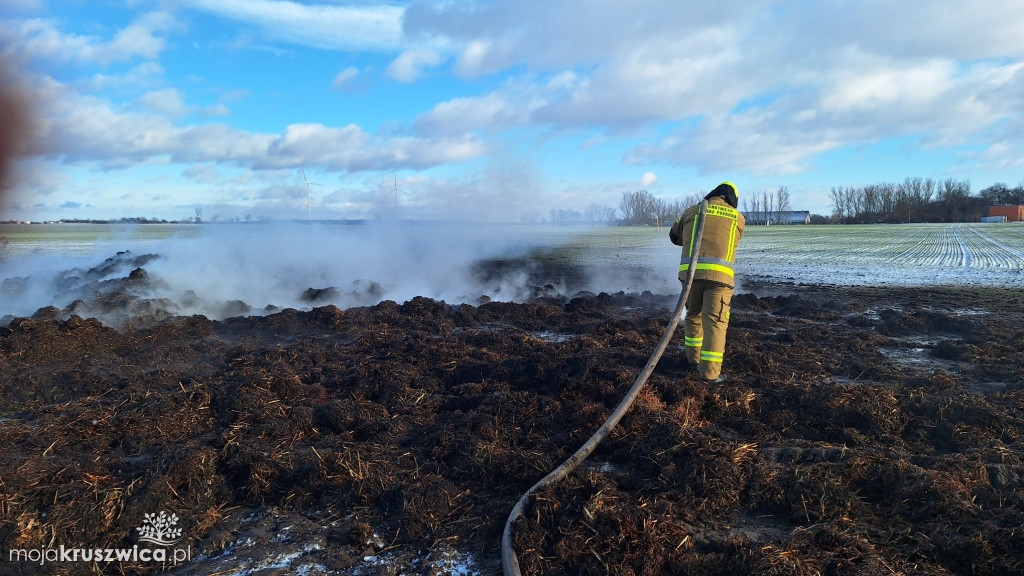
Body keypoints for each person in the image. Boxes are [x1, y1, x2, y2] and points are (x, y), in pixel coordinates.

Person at [669, 182, 745, 382]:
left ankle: (693, 360)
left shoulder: (691, 211)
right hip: (720, 280)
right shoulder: (738, 218)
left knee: (693, 315)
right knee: (715, 323)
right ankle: (710, 375)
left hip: (690, 277)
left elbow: (674, 236)